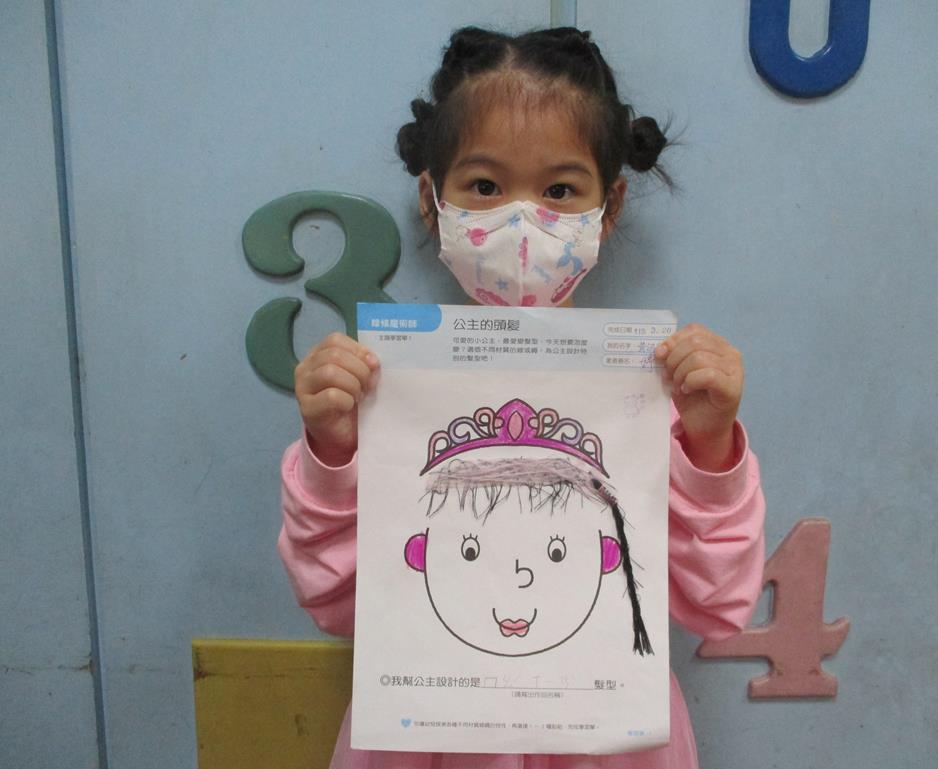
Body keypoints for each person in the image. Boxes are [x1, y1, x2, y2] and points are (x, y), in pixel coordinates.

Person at [278, 26, 765, 769]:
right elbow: (335, 603)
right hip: (423, 735)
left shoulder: (659, 401)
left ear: (609, 206)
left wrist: (710, 447)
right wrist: (333, 452)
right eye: (484, 186)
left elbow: (716, 606)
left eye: (560, 190)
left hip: (611, 738)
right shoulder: (379, 395)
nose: (522, 219)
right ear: (431, 200)